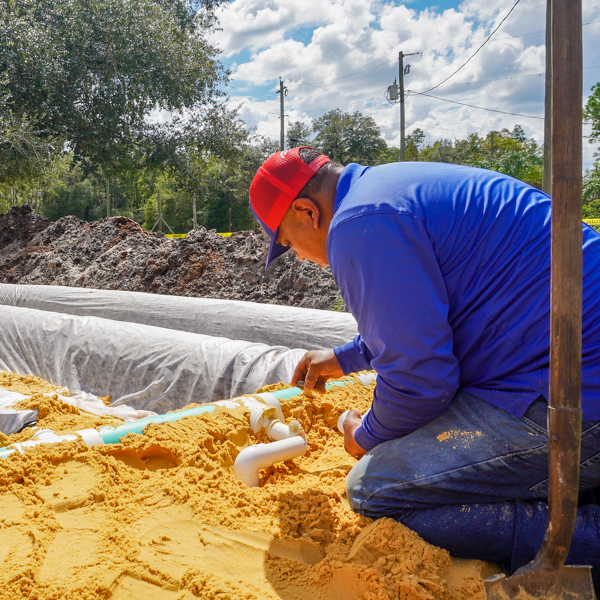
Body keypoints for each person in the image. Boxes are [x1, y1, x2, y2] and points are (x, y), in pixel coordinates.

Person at [249, 146, 600, 590]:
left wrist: (366, 435)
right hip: (564, 362)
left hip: (573, 395)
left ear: (305, 211)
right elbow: (428, 319)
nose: (298, 256)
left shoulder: (357, 226)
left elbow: (421, 384)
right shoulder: (388, 190)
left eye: (287, 242)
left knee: (373, 489)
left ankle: (581, 538)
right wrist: (346, 357)